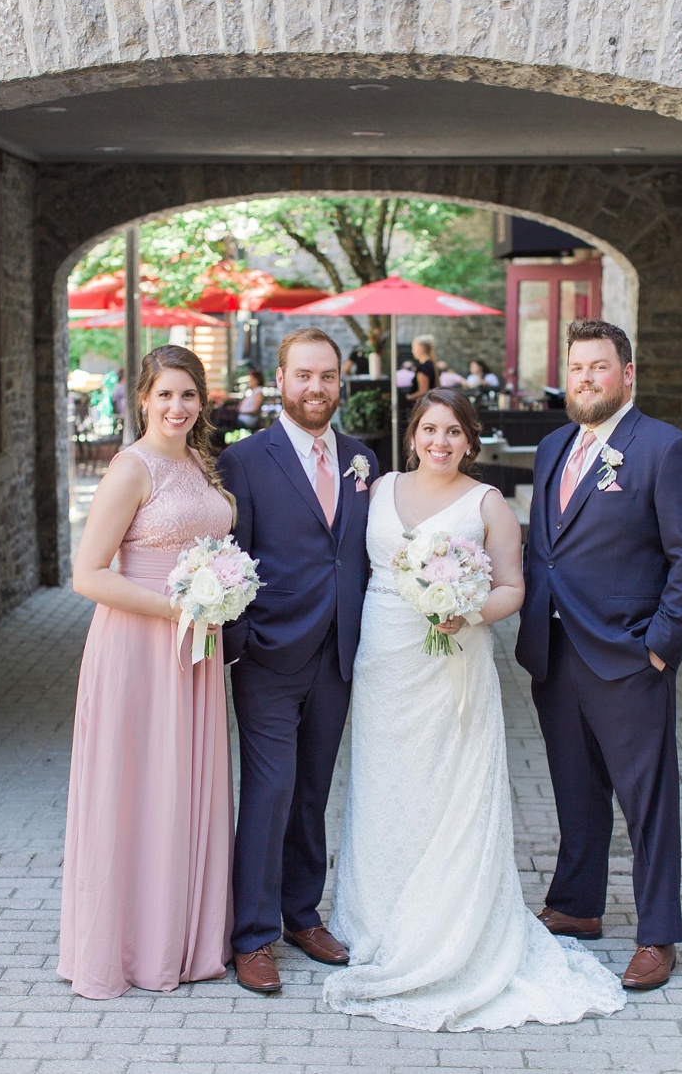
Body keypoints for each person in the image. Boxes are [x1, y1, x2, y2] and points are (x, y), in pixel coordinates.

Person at [322, 387, 626, 1030]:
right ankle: (376, 920)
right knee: (385, 790)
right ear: (412, 436)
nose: (440, 442)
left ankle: (454, 925)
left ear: (469, 440)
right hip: (385, 661)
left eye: (453, 433)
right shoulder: (377, 491)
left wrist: (464, 608)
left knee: (450, 792)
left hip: (454, 661)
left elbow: (513, 588)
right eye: (430, 430)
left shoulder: (488, 504)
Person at [515, 319, 682, 992]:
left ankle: (658, 932)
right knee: (575, 790)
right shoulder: (551, 448)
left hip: (629, 656)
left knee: (647, 801)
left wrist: (660, 647)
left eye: (600, 367)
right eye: (577, 368)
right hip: (556, 652)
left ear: (626, 374)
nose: (587, 379)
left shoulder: (664, 449)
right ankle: (576, 904)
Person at [58, 344, 236, 999]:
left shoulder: (196, 460)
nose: (177, 406)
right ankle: (125, 946)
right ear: (142, 398)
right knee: (135, 787)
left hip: (195, 653)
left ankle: (181, 940)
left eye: (188, 394)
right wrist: (180, 605)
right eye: (165, 394)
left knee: (182, 788)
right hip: (138, 648)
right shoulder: (131, 468)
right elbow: (87, 574)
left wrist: (218, 595)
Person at [217, 328, 380, 995]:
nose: (316, 387)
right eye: (304, 375)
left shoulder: (362, 458)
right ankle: (253, 933)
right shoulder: (243, 460)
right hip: (271, 654)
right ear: (279, 380)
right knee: (270, 787)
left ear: (340, 383)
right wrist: (241, 642)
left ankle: (301, 912)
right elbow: (231, 557)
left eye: (328, 376)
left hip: (339, 652)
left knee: (313, 787)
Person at [406, 334, 438, 400]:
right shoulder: (431, 364)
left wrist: (409, 397)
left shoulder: (424, 368)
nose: (412, 351)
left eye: (414, 348)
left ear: (421, 348)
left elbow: (423, 391)